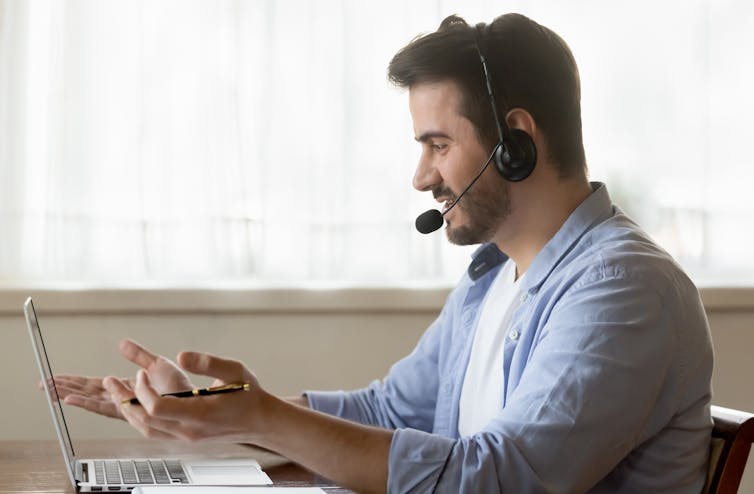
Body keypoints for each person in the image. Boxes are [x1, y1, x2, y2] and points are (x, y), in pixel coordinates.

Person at [51, 13, 713, 493]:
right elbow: (388, 414)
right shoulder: (494, 278)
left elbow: (505, 480)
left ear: (516, 141)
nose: (421, 177)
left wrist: (261, 419)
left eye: (438, 144)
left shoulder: (624, 288)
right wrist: (214, 415)